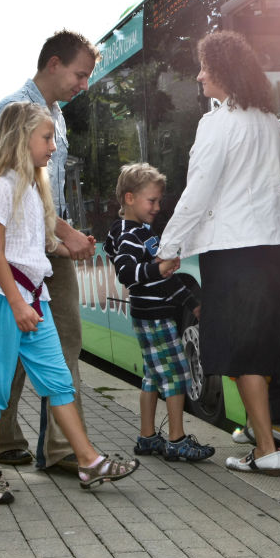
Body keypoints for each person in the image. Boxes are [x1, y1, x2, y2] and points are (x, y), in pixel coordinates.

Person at [0, 102, 139, 503]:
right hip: (4, 299)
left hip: (32, 300)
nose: (53, 147)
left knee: (59, 381)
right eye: (46, 138)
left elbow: (33, 244)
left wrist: (66, 247)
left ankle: (89, 461)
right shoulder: (1, 186)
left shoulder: (30, 188)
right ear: (19, 139)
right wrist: (18, 304)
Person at [157, 30, 280, 476]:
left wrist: (169, 248)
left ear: (223, 72)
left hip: (233, 250)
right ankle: (256, 431)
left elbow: (197, 193)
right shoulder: (268, 120)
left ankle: (265, 449)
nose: (199, 76)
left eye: (205, 68)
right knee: (257, 346)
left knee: (240, 353)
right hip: (272, 246)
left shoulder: (217, 124)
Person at [0, 30, 98, 473]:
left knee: (65, 338)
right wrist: (67, 231)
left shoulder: (57, 116)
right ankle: (3, 438)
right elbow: (12, 186)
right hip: (17, 249)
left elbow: (48, 189)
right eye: (80, 74)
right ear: (53, 64)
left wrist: (64, 234)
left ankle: (62, 449)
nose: (83, 85)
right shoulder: (13, 109)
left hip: (49, 245)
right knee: (13, 343)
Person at [103, 162, 215, 463]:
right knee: (177, 374)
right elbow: (127, 273)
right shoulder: (129, 234)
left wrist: (191, 303)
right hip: (153, 315)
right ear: (129, 198)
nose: (157, 207)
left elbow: (165, 279)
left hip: (151, 313)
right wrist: (159, 267)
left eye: (158, 201)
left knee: (152, 376)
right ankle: (176, 440)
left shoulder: (142, 231)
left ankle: (148, 437)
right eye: (151, 201)